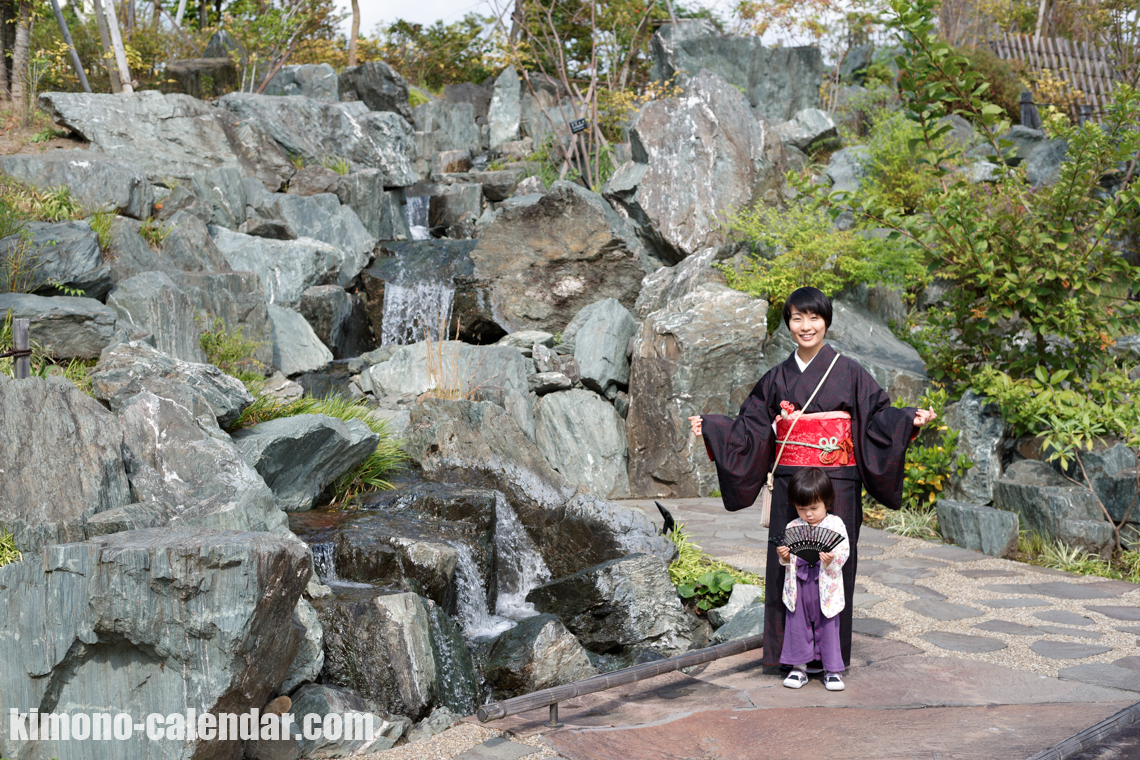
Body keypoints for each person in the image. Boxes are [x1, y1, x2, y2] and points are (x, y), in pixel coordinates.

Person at [688, 286, 936, 672]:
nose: (806, 326)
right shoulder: (776, 377)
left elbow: (877, 418)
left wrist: (907, 420)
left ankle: (830, 659)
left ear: (826, 321)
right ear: (788, 323)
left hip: (838, 485)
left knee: (833, 563)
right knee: (787, 564)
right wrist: (714, 427)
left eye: (814, 317)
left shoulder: (849, 371)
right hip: (791, 484)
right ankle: (792, 656)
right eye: (797, 318)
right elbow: (750, 426)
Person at [776, 467, 849, 691]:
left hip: (825, 584)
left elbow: (844, 552)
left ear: (827, 501)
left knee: (828, 625)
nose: (808, 514)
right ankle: (799, 667)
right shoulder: (793, 526)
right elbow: (787, 561)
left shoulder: (835, 525)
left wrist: (829, 560)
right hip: (799, 584)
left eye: (814, 508)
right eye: (802, 508)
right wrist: (785, 557)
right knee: (797, 623)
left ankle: (832, 670)